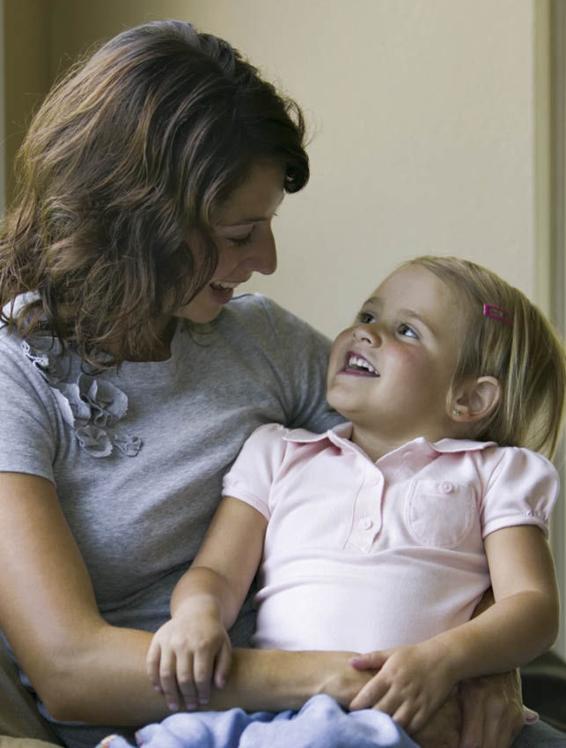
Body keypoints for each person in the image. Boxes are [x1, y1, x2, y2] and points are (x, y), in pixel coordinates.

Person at [0, 17, 556, 748]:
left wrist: (471, 657)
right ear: (136, 224)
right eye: (237, 235)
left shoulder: (261, 340)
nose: (265, 259)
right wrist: (350, 681)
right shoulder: (15, 376)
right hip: (197, 721)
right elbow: (69, 669)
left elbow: (437, 470)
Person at [142, 256, 566, 746]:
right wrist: (196, 616)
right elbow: (216, 572)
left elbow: (531, 605)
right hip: (283, 708)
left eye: (407, 330)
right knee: (184, 734)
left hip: (410, 713)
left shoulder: (495, 472)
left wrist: (444, 660)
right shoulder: (277, 453)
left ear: (469, 399)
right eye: (368, 316)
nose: (366, 333)